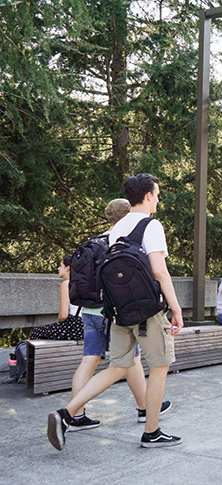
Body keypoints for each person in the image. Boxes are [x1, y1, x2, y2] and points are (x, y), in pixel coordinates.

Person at [48, 173, 183, 450]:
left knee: (118, 366)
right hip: (147, 308)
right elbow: (159, 270)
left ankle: (66, 413)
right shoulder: (151, 224)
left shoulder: (117, 228)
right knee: (159, 366)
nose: (158, 200)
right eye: (157, 195)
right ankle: (152, 431)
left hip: (118, 311)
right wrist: (176, 308)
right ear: (148, 196)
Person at [67, 198, 171, 431]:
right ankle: (145, 408)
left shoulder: (94, 240)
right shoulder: (120, 241)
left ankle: (75, 413)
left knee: (90, 360)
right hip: (112, 310)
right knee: (129, 360)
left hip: (88, 312)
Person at [29, 257, 84, 341]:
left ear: (67, 268)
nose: (58, 268)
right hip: (86, 326)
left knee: (37, 332)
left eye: (61, 266)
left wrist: (59, 322)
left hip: (74, 327)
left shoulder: (66, 284)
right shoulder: (83, 283)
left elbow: (63, 315)